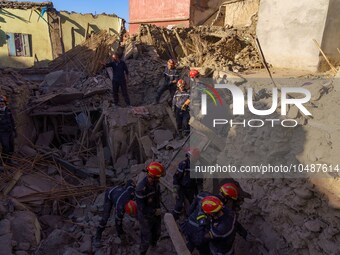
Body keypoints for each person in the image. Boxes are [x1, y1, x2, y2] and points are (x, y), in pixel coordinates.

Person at [94, 180, 137, 247]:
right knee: (105, 218)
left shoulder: (132, 193)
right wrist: (122, 236)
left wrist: (134, 184)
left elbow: (129, 181)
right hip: (109, 194)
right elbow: (118, 223)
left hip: (118, 190)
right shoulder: (120, 208)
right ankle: (97, 237)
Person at [136, 162, 165, 255]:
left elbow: (157, 195)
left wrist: (158, 198)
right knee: (146, 237)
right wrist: (153, 211)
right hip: (145, 216)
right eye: (158, 178)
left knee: (157, 232)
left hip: (156, 212)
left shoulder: (155, 183)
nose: (159, 179)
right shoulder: (141, 189)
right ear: (152, 177)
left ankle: (154, 246)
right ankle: (142, 252)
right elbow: (141, 208)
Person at [172, 148, 202, 219]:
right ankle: (173, 219)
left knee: (191, 206)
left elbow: (199, 181)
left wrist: (199, 193)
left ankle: (187, 220)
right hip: (181, 188)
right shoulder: (183, 165)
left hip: (191, 189)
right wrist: (175, 191)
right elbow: (176, 178)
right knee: (179, 205)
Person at [0, 96, 16, 166]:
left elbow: (12, 120)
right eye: (0, 104)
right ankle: (2, 163)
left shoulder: (8, 110)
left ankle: (9, 160)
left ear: (5, 103)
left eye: (2, 104)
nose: (1, 105)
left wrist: (15, 130)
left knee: (11, 147)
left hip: (10, 131)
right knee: (5, 147)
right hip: (2, 133)